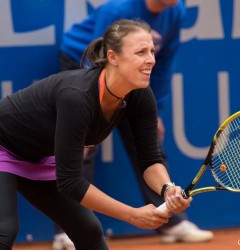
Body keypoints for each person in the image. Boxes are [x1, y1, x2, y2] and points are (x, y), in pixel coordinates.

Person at [0, 19, 192, 250]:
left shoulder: (141, 96)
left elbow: (151, 161)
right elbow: (70, 182)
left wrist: (167, 189)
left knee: (89, 231)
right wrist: (131, 215)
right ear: (113, 57)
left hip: (38, 156)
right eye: (140, 52)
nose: (150, 59)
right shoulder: (78, 97)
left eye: (151, 51)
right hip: (3, 143)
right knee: (4, 230)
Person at [52, 0, 214, 249]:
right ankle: (68, 230)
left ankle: (171, 221)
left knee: (148, 146)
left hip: (132, 71)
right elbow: (96, 63)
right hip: (83, 65)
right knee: (82, 149)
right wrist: (91, 113)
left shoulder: (176, 11)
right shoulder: (117, 11)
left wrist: (155, 110)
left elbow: (163, 62)